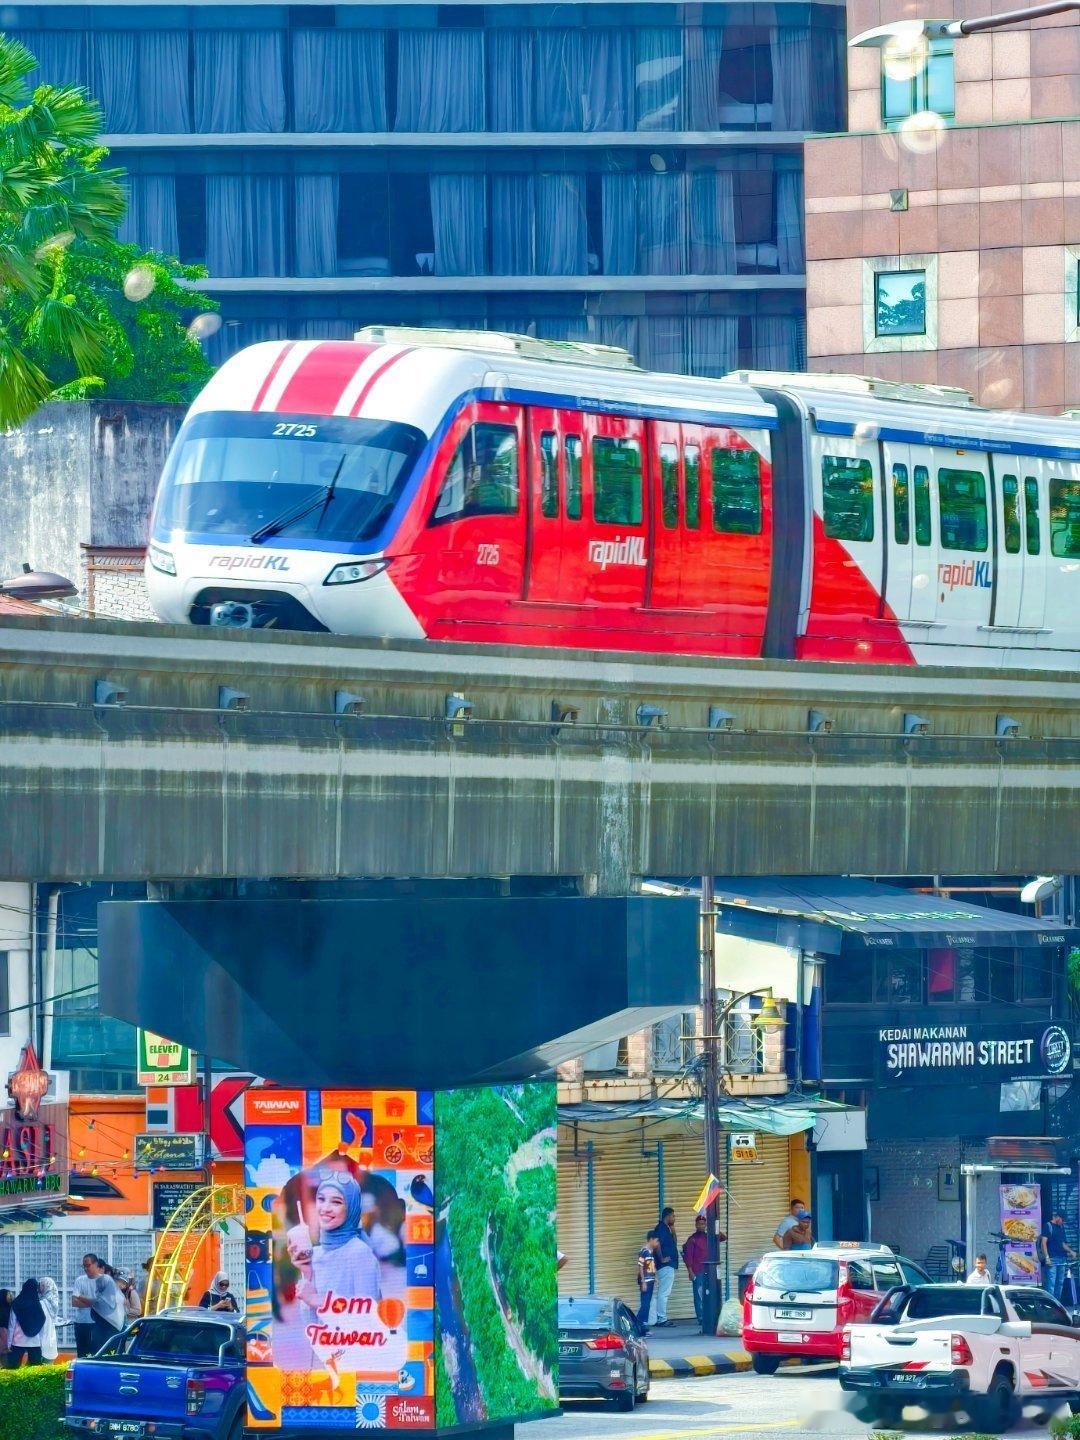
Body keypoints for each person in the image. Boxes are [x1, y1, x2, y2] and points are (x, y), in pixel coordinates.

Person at [287, 1173, 381, 1340]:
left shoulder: (359, 1252)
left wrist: (317, 1300)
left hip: (357, 1359)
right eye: (321, 1199)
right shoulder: (315, 1254)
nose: (325, 1208)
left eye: (336, 1202)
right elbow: (312, 1324)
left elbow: (370, 1318)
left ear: (351, 1208)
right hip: (328, 1356)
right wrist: (307, 1273)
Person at [682, 1214, 726, 1330]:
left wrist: (715, 1227)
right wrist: (690, 1272)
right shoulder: (692, 1239)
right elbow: (688, 1257)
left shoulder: (710, 1236)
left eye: (704, 1224)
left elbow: (723, 1238)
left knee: (710, 1294)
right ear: (696, 1225)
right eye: (700, 1224)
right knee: (699, 1295)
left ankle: (711, 1316)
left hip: (710, 1271)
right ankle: (701, 1318)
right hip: (698, 1271)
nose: (702, 1226)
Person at [649, 1207, 680, 1326]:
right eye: (673, 1216)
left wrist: (673, 1229)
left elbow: (675, 1243)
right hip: (665, 1266)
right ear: (667, 1216)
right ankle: (662, 1318)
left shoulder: (667, 1229)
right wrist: (662, 1258)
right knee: (664, 1292)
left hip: (668, 1265)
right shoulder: (661, 1229)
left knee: (662, 1292)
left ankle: (659, 1317)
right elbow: (657, 1245)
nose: (674, 1218)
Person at [7, 1279, 46, 1367]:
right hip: (34, 1342)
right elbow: (42, 1322)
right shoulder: (38, 1304)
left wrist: (9, 1344)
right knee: (35, 1372)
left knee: (13, 1369)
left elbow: (11, 1325)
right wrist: (42, 1343)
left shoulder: (16, 1303)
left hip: (18, 1341)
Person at [1040, 1213, 1075, 1300]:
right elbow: (1043, 1243)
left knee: (1060, 1283)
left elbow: (1063, 1244)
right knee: (1051, 1283)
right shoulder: (1048, 1226)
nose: (1063, 1222)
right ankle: (1050, 1304)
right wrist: (1047, 1257)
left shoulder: (1061, 1227)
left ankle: (1057, 1304)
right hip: (1052, 1259)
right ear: (1058, 1217)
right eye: (1062, 1220)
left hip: (1062, 1259)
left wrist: (1070, 1251)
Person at [71, 1254, 100, 1356]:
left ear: (96, 1264)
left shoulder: (103, 1280)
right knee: (82, 1353)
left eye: (88, 1265)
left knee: (96, 1353)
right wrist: (93, 1303)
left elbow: (103, 1304)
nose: (85, 1268)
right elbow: (74, 1302)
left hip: (97, 1323)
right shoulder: (80, 1280)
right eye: (84, 1266)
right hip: (81, 1322)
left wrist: (82, 1299)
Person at [636, 1232, 659, 1330]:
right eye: (656, 1240)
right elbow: (640, 1266)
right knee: (645, 1304)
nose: (658, 1243)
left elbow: (650, 1266)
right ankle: (638, 1324)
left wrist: (655, 1277)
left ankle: (642, 1325)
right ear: (651, 1239)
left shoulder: (651, 1252)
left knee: (647, 1304)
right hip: (645, 1282)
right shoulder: (644, 1251)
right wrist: (643, 1281)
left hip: (650, 1281)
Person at [37, 1278, 60, 1363]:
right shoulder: (54, 1302)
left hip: (41, 1338)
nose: (38, 1288)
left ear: (45, 1286)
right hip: (51, 1338)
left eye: (40, 1285)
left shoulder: (41, 1303)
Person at [0, 1290, 12, 1361]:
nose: (11, 1296)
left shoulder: (11, 1307)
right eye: (8, 1295)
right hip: (3, 1334)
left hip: (8, 1334)